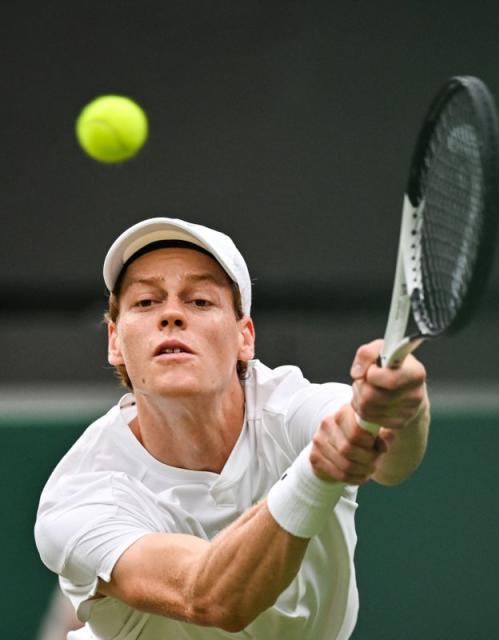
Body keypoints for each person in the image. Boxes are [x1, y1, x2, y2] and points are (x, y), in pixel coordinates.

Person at [34, 217, 430, 639]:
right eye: (146, 302)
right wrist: (316, 473)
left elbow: (389, 456)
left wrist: (404, 407)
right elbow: (210, 597)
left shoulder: (289, 406)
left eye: (200, 301)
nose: (171, 314)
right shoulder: (82, 492)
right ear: (115, 341)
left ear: (245, 337)